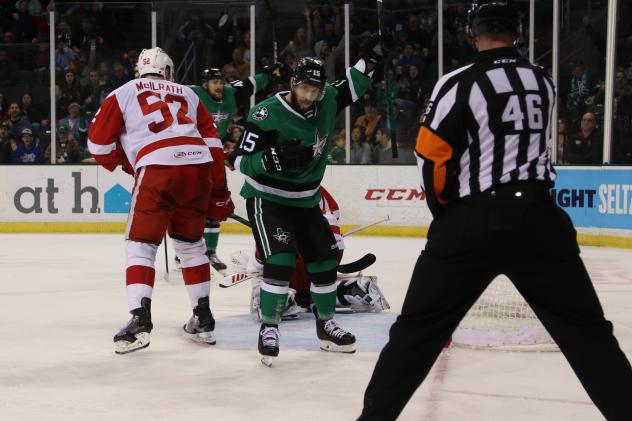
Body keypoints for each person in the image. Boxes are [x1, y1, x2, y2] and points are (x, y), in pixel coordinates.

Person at [359, 2, 632, 420]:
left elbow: (431, 155)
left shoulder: (458, 82)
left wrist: (446, 213)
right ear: (517, 33)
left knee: (417, 332)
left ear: (473, 34)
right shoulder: (543, 80)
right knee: (587, 334)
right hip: (540, 218)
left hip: (473, 220)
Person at [233, 40, 383, 365]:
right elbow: (238, 160)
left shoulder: (328, 98)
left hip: (305, 200)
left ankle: (326, 325)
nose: (310, 96)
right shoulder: (266, 113)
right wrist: (268, 159)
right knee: (282, 261)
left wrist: (372, 57)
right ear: (292, 84)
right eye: (304, 89)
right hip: (267, 198)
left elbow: (354, 81)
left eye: (315, 90)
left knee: (325, 260)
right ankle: (269, 328)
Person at [87, 47, 234, 355]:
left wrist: (131, 165)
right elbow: (214, 146)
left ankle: (139, 321)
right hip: (198, 169)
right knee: (191, 245)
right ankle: (203, 318)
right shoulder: (189, 94)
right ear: (168, 71)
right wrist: (219, 194)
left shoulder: (125, 91)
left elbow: (98, 145)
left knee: (141, 245)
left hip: (157, 170)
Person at [186, 64, 281, 272]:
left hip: (216, 154)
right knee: (192, 207)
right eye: (214, 82)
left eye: (221, 82)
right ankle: (185, 250)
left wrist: (269, 73)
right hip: (191, 155)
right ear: (205, 85)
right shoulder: (193, 93)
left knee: (217, 204)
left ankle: (210, 252)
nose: (219, 86)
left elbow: (251, 84)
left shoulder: (230, 93)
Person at [241, 186, 389, 319]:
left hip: (305, 253)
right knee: (315, 292)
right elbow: (333, 221)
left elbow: (270, 245)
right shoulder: (313, 185)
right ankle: (350, 289)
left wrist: (257, 270)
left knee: (279, 284)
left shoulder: (271, 188)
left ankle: (281, 299)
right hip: (328, 249)